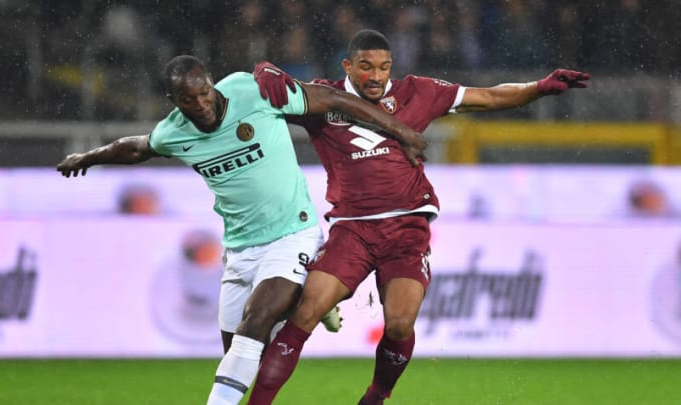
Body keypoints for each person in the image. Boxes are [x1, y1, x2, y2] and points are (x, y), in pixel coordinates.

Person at [56, 54, 426, 405]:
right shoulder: (174, 132)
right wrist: (87, 157)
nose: (201, 103)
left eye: (204, 92)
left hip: (291, 233)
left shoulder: (252, 91)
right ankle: (305, 295)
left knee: (259, 317)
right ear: (174, 101)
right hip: (239, 249)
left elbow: (330, 98)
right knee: (241, 350)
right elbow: (135, 148)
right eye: (189, 99)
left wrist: (399, 130)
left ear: (212, 83)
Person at [248, 29, 591, 405]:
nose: (377, 76)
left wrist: (538, 87)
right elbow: (262, 92)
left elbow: (490, 96)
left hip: (406, 228)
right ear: (347, 66)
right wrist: (262, 70)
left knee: (399, 323)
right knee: (307, 311)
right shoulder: (323, 96)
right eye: (366, 67)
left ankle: (376, 397)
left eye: (384, 67)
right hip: (352, 228)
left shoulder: (417, 92)